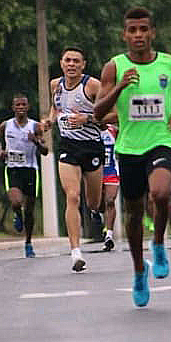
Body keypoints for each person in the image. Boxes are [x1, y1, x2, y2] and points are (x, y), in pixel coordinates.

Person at [94, 7, 171, 307]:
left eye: (143, 29)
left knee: (161, 192)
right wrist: (120, 87)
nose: (138, 35)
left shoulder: (169, 62)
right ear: (124, 35)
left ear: (152, 32)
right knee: (133, 213)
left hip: (161, 140)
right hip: (128, 148)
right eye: (132, 30)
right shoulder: (114, 67)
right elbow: (98, 112)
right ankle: (139, 270)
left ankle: (160, 243)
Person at [42, 46, 107, 272]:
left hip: (92, 147)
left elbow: (113, 115)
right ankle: (76, 252)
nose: (71, 65)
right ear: (61, 63)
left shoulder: (93, 86)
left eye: (76, 61)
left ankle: (95, 212)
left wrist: (87, 119)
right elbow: (56, 107)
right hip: (69, 146)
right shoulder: (55, 85)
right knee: (72, 196)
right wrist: (50, 121)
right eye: (67, 60)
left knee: (93, 201)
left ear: (83, 65)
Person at [0, 93, 48, 258]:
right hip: (13, 169)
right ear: (13, 108)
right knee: (16, 201)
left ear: (28, 107)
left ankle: (28, 242)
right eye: (17, 105)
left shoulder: (35, 126)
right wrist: (0, 151)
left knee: (30, 210)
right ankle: (17, 213)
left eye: (23, 105)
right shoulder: (6, 125)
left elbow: (45, 151)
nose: (20, 108)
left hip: (30, 170)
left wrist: (36, 142)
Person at [100, 123, 120, 252]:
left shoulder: (113, 131)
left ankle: (109, 236)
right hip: (94, 171)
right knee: (98, 204)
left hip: (111, 171)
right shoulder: (89, 131)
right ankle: (100, 217)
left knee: (110, 201)